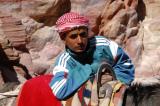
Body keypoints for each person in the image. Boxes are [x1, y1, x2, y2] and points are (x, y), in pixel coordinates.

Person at [16, 12, 134, 106]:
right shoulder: (64, 62)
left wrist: (116, 78)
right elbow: (60, 90)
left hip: (114, 88)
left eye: (83, 34)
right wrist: (90, 73)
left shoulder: (103, 44)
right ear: (63, 38)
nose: (80, 41)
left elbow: (126, 64)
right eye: (73, 36)